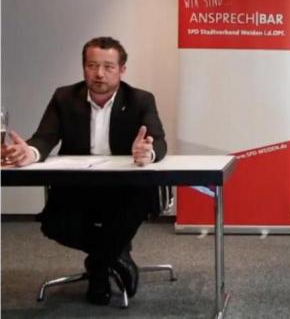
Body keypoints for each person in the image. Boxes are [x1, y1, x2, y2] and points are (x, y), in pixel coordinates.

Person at [0, 36, 167, 305]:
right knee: (53, 224)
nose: (99, 73)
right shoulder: (64, 97)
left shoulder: (140, 99)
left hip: (124, 188)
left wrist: (148, 152)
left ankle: (99, 268)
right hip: (77, 184)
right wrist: (28, 153)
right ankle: (116, 256)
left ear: (122, 70)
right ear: (83, 67)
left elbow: (157, 140)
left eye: (109, 67)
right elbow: (44, 138)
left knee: (138, 200)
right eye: (92, 65)